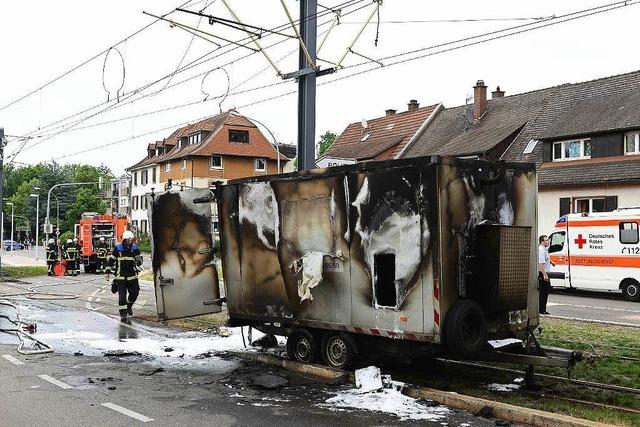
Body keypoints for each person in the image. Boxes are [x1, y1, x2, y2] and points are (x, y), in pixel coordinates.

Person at [106, 230, 143, 321]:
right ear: (124, 240)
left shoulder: (135, 248)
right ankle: (123, 314)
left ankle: (129, 306)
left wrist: (139, 260)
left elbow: (139, 263)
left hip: (132, 277)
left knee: (134, 294)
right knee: (122, 298)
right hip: (121, 277)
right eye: (128, 239)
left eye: (131, 239)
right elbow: (111, 260)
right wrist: (107, 272)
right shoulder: (118, 248)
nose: (130, 241)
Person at [538, 235, 551, 315]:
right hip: (543, 273)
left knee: (545, 292)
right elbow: (541, 264)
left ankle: (543, 309)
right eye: (546, 240)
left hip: (544, 272)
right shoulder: (541, 250)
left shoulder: (544, 250)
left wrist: (551, 262)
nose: (548, 241)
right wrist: (545, 275)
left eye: (547, 240)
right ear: (542, 242)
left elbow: (545, 259)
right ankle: (542, 310)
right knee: (544, 292)